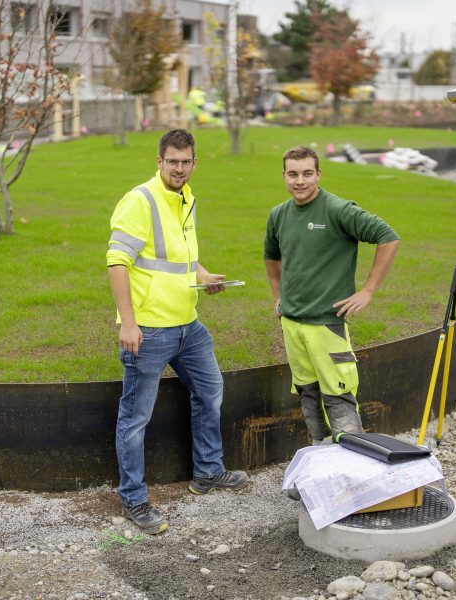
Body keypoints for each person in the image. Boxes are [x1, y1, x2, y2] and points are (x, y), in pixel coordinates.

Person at [107, 129, 248, 535]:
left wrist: (203, 276)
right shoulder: (140, 200)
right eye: (173, 162)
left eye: (186, 162)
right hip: (149, 329)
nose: (180, 169)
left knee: (210, 390)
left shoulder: (187, 197)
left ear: (194, 163)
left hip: (189, 324)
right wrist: (129, 323)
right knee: (135, 418)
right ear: (159, 161)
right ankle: (133, 500)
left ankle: (207, 472)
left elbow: (179, 258)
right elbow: (118, 262)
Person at [264, 146, 400, 444]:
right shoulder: (278, 215)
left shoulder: (337, 210)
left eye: (307, 174)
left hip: (327, 324)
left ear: (318, 175)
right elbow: (271, 258)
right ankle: (321, 463)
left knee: (338, 399)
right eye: (293, 174)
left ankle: (351, 469)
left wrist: (368, 290)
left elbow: (387, 237)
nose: (300, 181)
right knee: (308, 397)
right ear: (284, 176)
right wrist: (278, 298)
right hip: (293, 325)